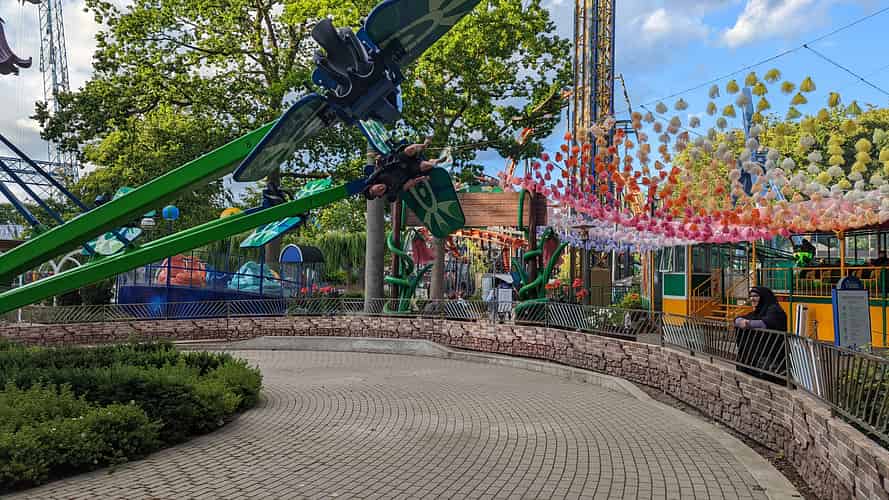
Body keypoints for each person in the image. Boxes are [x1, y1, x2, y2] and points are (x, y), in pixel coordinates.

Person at [734, 286, 788, 383]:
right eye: (751, 296)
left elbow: (767, 323)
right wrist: (739, 320)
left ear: (764, 297)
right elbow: (740, 319)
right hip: (755, 360)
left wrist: (748, 324)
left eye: (755, 296)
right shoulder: (759, 311)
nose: (752, 299)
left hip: (771, 358)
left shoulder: (774, 310)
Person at [363, 138, 440, 203]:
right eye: (378, 192)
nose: (380, 189)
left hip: (400, 160)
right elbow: (409, 184)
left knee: (410, 150)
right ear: (380, 195)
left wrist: (378, 159)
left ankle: (424, 145)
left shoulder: (378, 176)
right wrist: (422, 178)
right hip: (410, 171)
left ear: (373, 185)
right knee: (427, 165)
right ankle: (435, 161)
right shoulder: (392, 192)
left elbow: (382, 165)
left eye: (376, 188)